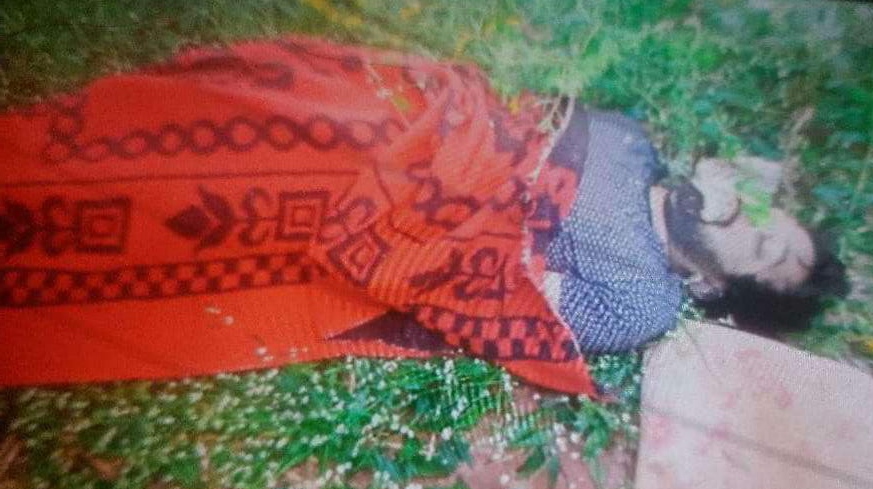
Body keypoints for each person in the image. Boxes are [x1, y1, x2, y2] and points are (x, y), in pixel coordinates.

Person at [0, 37, 847, 393]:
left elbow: (512, 302)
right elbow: (510, 114)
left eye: (766, 253)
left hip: (428, 216)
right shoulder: (635, 143)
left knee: (290, 174)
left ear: (716, 287)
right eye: (767, 217)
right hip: (432, 127)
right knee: (293, 108)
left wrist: (450, 199)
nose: (754, 225)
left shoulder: (646, 300)